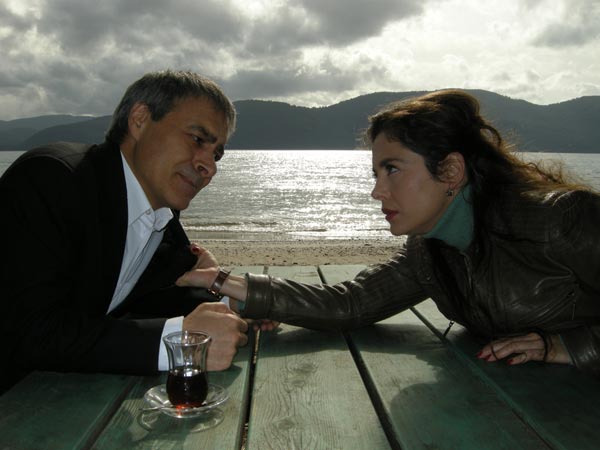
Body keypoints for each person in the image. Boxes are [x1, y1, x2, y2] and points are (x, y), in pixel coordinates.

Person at [177, 89, 600, 376]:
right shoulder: (429, 251)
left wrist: (567, 346)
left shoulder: (563, 219)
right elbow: (350, 304)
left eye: (392, 169)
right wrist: (230, 285)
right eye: (376, 173)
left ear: (451, 170)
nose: (377, 191)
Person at [0, 70, 249, 393]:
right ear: (140, 119)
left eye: (216, 154)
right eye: (197, 139)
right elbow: (28, 329)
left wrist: (232, 309)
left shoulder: (159, 214)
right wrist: (177, 342)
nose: (209, 167)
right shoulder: (51, 179)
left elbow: (160, 296)